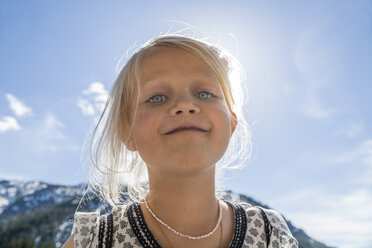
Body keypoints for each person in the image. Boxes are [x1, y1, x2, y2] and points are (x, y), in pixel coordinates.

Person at [63, 34, 298, 248]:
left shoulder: (269, 233)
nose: (185, 105)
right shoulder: (95, 240)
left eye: (204, 93)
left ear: (231, 124)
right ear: (128, 133)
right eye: (157, 98)